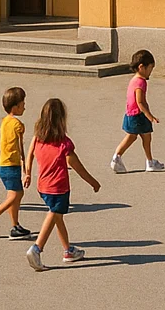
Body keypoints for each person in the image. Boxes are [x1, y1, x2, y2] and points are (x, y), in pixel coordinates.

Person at [24, 98, 100, 271]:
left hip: (42, 186)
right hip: (58, 188)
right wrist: (93, 182)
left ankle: (68, 250)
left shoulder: (38, 138)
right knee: (54, 213)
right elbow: (77, 166)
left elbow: (29, 155)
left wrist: (27, 173)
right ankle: (36, 248)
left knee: (58, 218)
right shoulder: (64, 144)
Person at [0, 86, 32, 241]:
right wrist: (26, 169)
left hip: (2, 164)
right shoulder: (18, 125)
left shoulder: (5, 122)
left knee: (13, 194)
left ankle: (15, 226)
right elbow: (20, 147)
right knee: (16, 194)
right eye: (23, 104)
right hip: (11, 165)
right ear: (15, 107)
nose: (25, 106)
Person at [110, 50, 165, 172]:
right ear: (141, 67)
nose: (151, 71)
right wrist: (149, 116)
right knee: (141, 137)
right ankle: (120, 158)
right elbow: (140, 101)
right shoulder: (141, 82)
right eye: (150, 68)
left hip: (130, 113)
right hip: (139, 114)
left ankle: (119, 158)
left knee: (137, 136)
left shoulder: (134, 79)